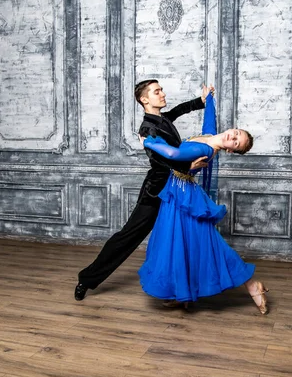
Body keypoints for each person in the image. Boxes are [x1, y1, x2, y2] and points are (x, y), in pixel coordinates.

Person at [74, 80, 214, 300]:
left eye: (161, 90)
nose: (162, 94)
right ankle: (87, 279)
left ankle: (188, 287)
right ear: (144, 99)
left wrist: (201, 101)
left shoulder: (163, 119)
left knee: (189, 232)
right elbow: (160, 160)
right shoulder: (147, 129)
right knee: (128, 236)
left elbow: (177, 111)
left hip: (177, 188)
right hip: (157, 192)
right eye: (157, 92)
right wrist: (188, 166)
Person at [138, 128, 269, 314]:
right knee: (180, 244)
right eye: (237, 133)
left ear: (230, 150)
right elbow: (209, 117)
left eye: (236, 142)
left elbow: (173, 153)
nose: (233, 137)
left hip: (184, 197)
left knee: (207, 243)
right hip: (177, 193)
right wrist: (207, 99)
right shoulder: (210, 135)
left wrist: (148, 143)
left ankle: (252, 285)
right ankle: (181, 294)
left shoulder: (206, 150)